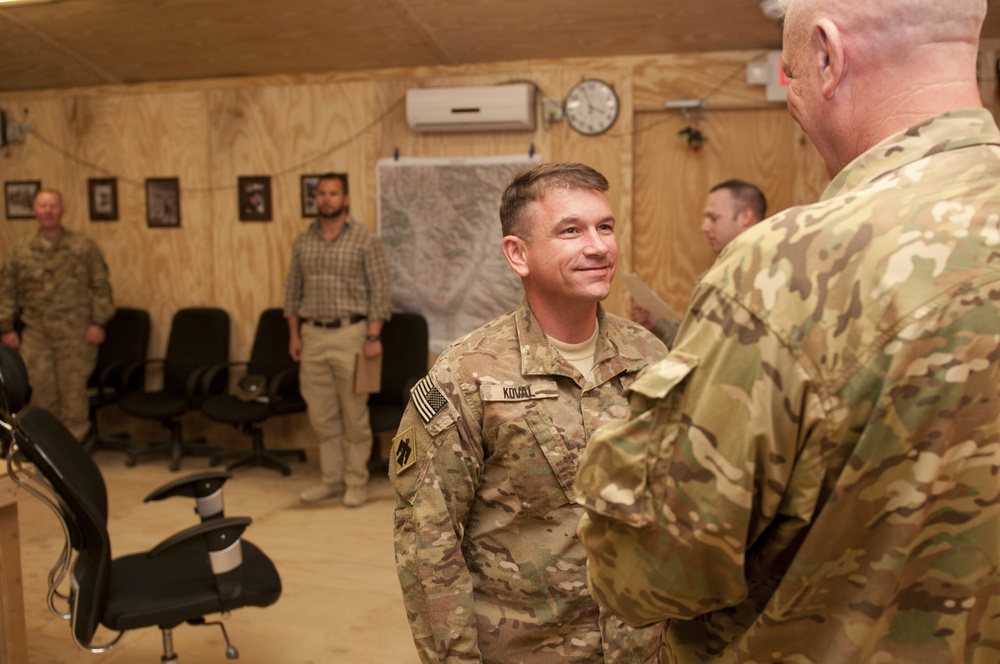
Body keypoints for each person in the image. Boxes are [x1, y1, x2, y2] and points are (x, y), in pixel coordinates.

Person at [575, 0, 1000, 662]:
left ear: (827, 56)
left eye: (791, 73)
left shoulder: (791, 268)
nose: (792, 98)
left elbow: (648, 574)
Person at [390, 162, 667, 663]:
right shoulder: (468, 374)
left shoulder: (649, 357)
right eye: (571, 231)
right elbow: (428, 543)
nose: (599, 246)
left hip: (639, 645)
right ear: (518, 254)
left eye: (605, 226)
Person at [284, 172, 391, 508]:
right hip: (312, 336)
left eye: (333, 193)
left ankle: (355, 482)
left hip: (353, 336)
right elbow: (291, 292)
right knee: (321, 415)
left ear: (345, 199)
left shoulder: (364, 240)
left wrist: (373, 335)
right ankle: (331, 480)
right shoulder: (304, 241)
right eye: (321, 194)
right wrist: (293, 335)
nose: (326, 199)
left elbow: (381, 292)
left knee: (354, 414)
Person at [0, 189, 114, 442]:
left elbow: (101, 288)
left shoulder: (82, 247)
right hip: (37, 335)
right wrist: (6, 328)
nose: (48, 211)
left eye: (53, 206)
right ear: (35, 211)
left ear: (62, 211)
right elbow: (6, 291)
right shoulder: (20, 251)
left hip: (75, 334)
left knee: (73, 395)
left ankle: (73, 451)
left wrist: (99, 322)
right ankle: (48, 450)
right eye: (43, 206)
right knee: (42, 395)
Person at [631, 179, 767, 346]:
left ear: (745, 217)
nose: (704, 227)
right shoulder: (718, 273)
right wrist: (656, 325)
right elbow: (699, 342)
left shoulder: (768, 272)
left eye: (713, 218)